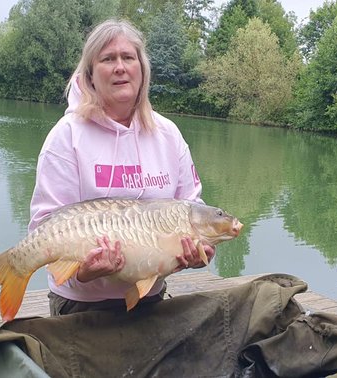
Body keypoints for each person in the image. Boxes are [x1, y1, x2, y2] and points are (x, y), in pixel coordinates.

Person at [27, 19, 214, 315]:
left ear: (142, 69)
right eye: (107, 59)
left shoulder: (168, 134)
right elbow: (45, 226)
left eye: (128, 57)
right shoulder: (66, 136)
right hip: (81, 305)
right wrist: (84, 271)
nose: (120, 67)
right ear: (90, 74)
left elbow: (191, 206)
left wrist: (199, 251)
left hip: (150, 298)